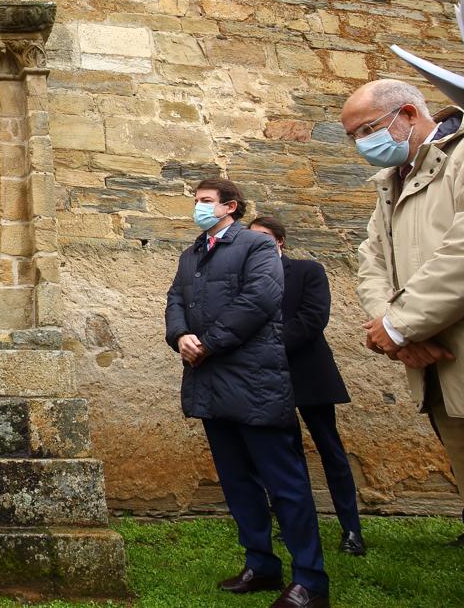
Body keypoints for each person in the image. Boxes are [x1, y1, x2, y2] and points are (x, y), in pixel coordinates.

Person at [345, 79, 464, 606]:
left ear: (408, 113)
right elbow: (371, 262)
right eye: (353, 136)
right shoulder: (392, 182)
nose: (361, 144)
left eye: (366, 130)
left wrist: (404, 326)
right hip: (444, 385)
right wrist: (393, 329)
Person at [165, 179, 328, 608]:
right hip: (210, 383)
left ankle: (310, 580)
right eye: (196, 202)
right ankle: (261, 564)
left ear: (229, 206)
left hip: (255, 381)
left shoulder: (255, 247)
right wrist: (180, 335)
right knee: (238, 482)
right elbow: (174, 300)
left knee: (285, 482)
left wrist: (209, 343)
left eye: (204, 202)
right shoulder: (192, 254)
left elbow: (260, 299)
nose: (197, 208)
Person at [249, 216, 365, 557]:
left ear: (280, 241)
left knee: (331, 451)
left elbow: (313, 318)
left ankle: (352, 529)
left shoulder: (307, 271)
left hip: (309, 371)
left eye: (265, 238)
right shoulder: (248, 278)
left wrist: (268, 345)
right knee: (285, 455)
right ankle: (295, 524)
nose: (258, 244)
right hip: (268, 376)